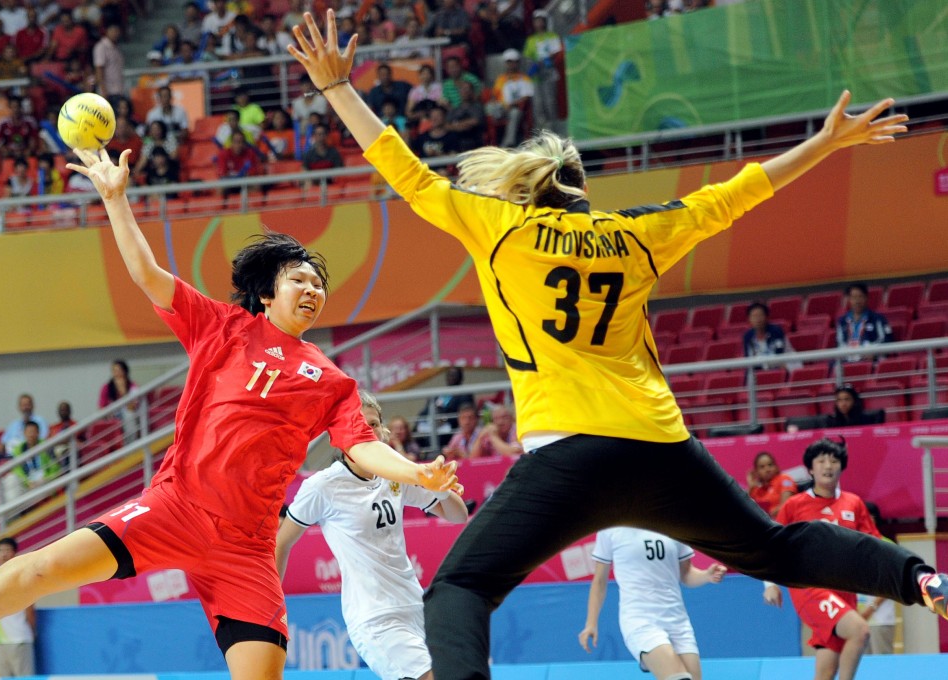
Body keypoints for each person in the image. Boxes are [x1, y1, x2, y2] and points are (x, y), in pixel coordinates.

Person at [285, 13, 948, 679]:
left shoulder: (500, 227)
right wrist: (825, 143)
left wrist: (339, 88)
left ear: (526, 187)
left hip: (567, 458)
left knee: (461, 590)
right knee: (777, 550)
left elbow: (407, 172)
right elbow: (734, 196)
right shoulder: (633, 235)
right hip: (661, 450)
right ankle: (920, 578)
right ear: (583, 191)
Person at [0, 144, 461, 677]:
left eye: (318, 284)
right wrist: (115, 198)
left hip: (246, 548)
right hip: (174, 508)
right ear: (267, 294)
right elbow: (146, 273)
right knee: (46, 566)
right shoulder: (222, 327)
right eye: (298, 279)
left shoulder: (332, 380)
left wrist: (417, 472)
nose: (312, 289)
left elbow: (363, 446)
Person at [276, 391, 468, 680]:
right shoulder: (323, 486)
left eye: (375, 423)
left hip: (418, 607)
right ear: (339, 435)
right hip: (374, 617)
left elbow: (458, 515)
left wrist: (440, 487)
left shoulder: (397, 472)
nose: (369, 430)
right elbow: (282, 542)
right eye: (360, 423)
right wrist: (269, 609)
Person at [764, 438, 881, 680]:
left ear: (841, 466)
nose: (828, 466)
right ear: (810, 468)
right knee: (860, 632)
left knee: (826, 670)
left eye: (834, 460)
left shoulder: (854, 503)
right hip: (810, 586)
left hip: (844, 589)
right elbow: (771, 544)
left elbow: (875, 547)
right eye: (821, 461)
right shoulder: (795, 505)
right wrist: (770, 583)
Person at [578, 527, 726, 680]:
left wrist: (706, 575)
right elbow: (600, 581)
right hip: (640, 620)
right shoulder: (612, 528)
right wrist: (591, 623)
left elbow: (686, 574)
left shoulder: (674, 521)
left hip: (678, 621)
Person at [0, 538, 35, 677]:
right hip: (2, 641)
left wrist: (33, 632)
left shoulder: (22, 575)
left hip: (20, 639)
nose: (3, 554)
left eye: (7, 550)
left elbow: (30, 607)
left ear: (14, 553)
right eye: (0, 551)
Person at [836, 282, 892, 362]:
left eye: (860, 297)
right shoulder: (842, 321)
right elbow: (840, 343)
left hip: (871, 360)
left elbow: (887, 340)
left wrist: (874, 352)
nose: (857, 301)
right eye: (854, 297)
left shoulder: (877, 319)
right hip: (848, 361)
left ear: (866, 298)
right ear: (848, 299)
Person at [745, 451, 795, 518]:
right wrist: (750, 487)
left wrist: (763, 516)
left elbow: (786, 506)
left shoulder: (784, 479)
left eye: (770, 465)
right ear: (756, 472)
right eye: (762, 467)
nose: (767, 469)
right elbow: (743, 509)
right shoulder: (756, 490)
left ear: (776, 467)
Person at [99, 359, 140, 441]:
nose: (116, 373)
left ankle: (131, 445)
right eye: (114, 371)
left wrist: (123, 391)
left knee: (129, 415)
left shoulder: (133, 387)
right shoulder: (106, 387)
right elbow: (102, 406)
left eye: (118, 370)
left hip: (128, 413)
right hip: (112, 415)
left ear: (124, 371)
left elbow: (132, 407)